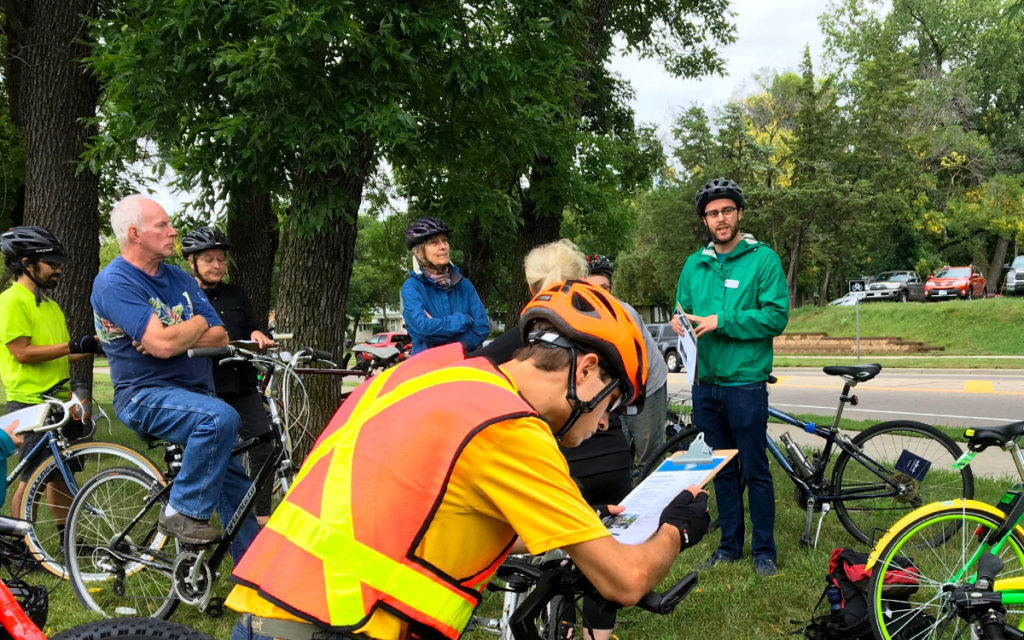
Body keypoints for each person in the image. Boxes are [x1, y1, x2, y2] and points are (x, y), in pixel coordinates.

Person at [226, 279, 710, 640]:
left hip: (269, 614)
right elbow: (626, 581)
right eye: (614, 403)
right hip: (346, 625)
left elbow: (425, 513)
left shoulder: (424, 374)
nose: (606, 423)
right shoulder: (510, 428)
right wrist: (677, 528)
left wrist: (578, 531)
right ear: (585, 370)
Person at [90, 195, 258, 561]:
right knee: (219, 418)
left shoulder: (180, 277)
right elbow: (162, 345)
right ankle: (183, 512)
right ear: (134, 234)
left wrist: (186, 329)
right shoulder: (115, 282)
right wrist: (193, 326)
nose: (173, 230)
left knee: (238, 487)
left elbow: (219, 335)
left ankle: (254, 571)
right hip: (144, 395)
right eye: (163, 225)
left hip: (195, 394)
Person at [672, 177, 789, 577]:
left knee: (755, 469)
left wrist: (722, 321)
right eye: (712, 213)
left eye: (726, 211)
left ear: (738, 213)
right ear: (704, 220)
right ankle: (729, 546)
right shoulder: (694, 264)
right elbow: (682, 308)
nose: (720, 219)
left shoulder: (763, 260)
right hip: (706, 385)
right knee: (720, 470)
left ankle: (764, 551)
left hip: (745, 383)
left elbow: (776, 316)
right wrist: (678, 321)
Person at [0, 226, 101, 531]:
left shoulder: (51, 305)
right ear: (27, 262)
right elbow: (22, 352)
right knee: (33, 479)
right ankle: (20, 545)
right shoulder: (11, 301)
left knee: (62, 473)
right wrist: (70, 346)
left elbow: (60, 353)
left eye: (59, 264)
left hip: (59, 402)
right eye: (52, 263)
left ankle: (68, 539)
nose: (59, 269)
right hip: (31, 403)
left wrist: (92, 346)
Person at [181, 227, 276, 525]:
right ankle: (198, 518)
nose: (217, 265)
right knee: (214, 454)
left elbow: (251, 327)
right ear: (191, 262)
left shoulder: (236, 293)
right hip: (204, 387)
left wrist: (258, 332)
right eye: (209, 259)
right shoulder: (181, 297)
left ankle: (260, 517)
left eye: (221, 259)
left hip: (241, 384)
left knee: (264, 444)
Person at [584, 254, 669, 477]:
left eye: (605, 288)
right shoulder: (579, 316)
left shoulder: (624, 315)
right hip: (613, 390)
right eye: (593, 289)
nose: (601, 295)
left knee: (648, 458)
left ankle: (651, 507)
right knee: (616, 455)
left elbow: (634, 368)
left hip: (646, 385)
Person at [400, 217, 489, 354]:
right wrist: (464, 320)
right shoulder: (412, 287)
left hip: (463, 367)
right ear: (417, 252)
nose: (443, 246)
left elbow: (482, 327)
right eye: (434, 242)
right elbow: (423, 329)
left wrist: (451, 349)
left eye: (444, 240)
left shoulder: (464, 285)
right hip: (428, 368)